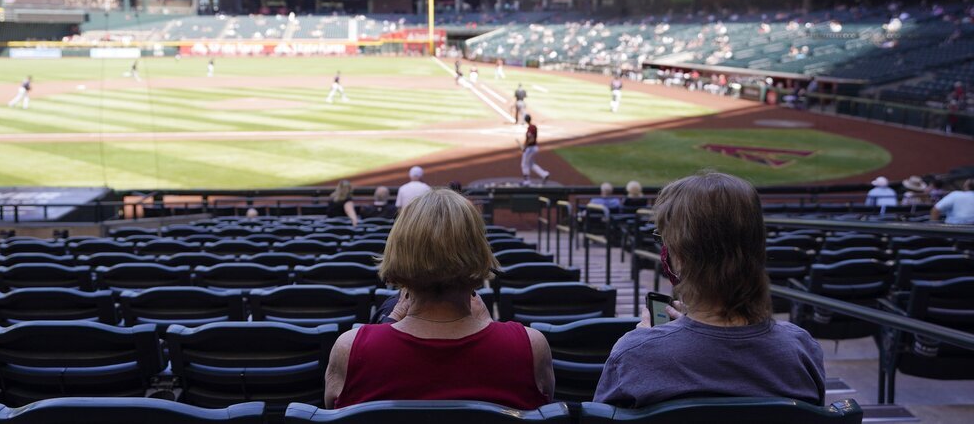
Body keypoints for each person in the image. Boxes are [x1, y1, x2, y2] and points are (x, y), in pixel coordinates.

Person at [594, 172, 825, 408]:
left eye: (663, 239)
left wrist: (646, 341)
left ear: (680, 256)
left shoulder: (634, 354)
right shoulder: (801, 350)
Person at [324, 188, 554, 408]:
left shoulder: (350, 349)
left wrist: (389, 322)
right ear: (479, 251)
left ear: (398, 250)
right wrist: (492, 327)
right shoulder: (530, 347)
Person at [520, 114, 550, 186]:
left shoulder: (530, 128)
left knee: (524, 164)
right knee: (531, 164)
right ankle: (544, 174)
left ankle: (527, 181)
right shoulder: (533, 127)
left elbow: (531, 139)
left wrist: (525, 147)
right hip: (534, 148)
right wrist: (525, 145)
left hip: (530, 149)